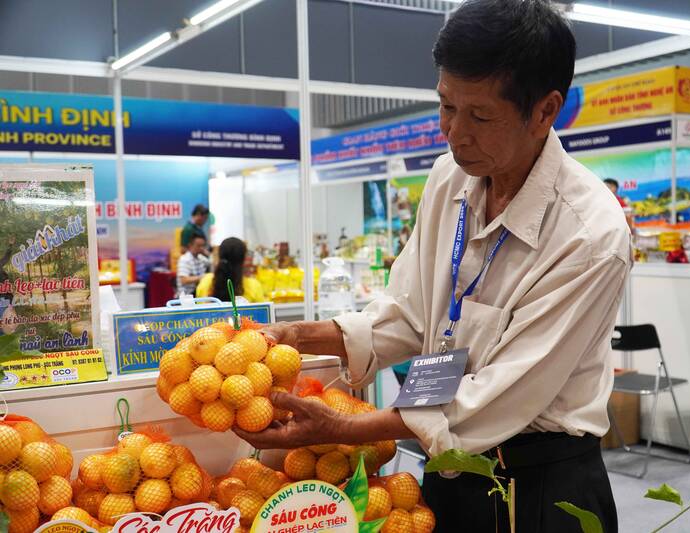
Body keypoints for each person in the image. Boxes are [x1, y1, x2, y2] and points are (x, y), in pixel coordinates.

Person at [234, 1, 630, 531]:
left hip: (540, 484)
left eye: (480, 116)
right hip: (445, 469)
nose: (454, 132)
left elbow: (496, 398)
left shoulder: (589, 234)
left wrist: (340, 427)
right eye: (446, 106)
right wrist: (296, 336)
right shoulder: (450, 180)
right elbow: (411, 315)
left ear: (544, 111)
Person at [196, 237, 265, 303]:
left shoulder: (205, 282)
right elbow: (263, 313)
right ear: (243, 259)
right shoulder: (253, 286)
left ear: (219, 255)